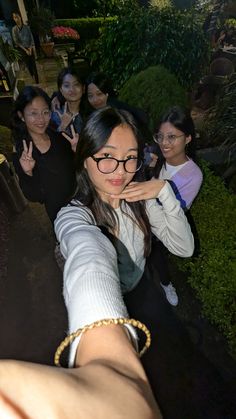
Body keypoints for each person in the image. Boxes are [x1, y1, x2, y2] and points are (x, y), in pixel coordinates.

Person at [116, 106, 203, 306]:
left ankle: (166, 284)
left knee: (157, 257)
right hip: (136, 219)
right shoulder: (157, 157)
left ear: (188, 138)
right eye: (160, 136)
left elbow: (173, 210)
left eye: (172, 137)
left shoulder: (192, 175)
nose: (164, 143)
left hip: (158, 228)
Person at [11, 86, 76, 223]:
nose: (41, 119)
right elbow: (35, 196)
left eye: (45, 112)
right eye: (33, 113)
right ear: (21, 116)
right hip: (60, 214)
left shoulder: (60, 138)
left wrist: (77, 151)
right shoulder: (22, 153)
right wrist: (28, 173)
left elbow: (76, 170)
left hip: (81, 201)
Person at [51, 67, 85, 138]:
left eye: (76, 84)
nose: (72, 89)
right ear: (61, 90)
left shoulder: (91, 114)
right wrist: (63, 125)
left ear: (83, 88)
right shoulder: (56, 115)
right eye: (67, 86)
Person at [12, 11, 39, 84]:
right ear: (13, 19)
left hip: (30, 48)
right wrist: (25, 50)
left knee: (33, 64)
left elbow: (31, 38)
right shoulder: (14, 29)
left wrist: (30, 48)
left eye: (17, 17)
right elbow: (17, 42)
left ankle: (37, 80)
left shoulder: (27, 27)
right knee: (28, 64)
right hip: (22, 49)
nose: (16, 19)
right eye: (14, 17)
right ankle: (32, 75)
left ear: (20, 17)